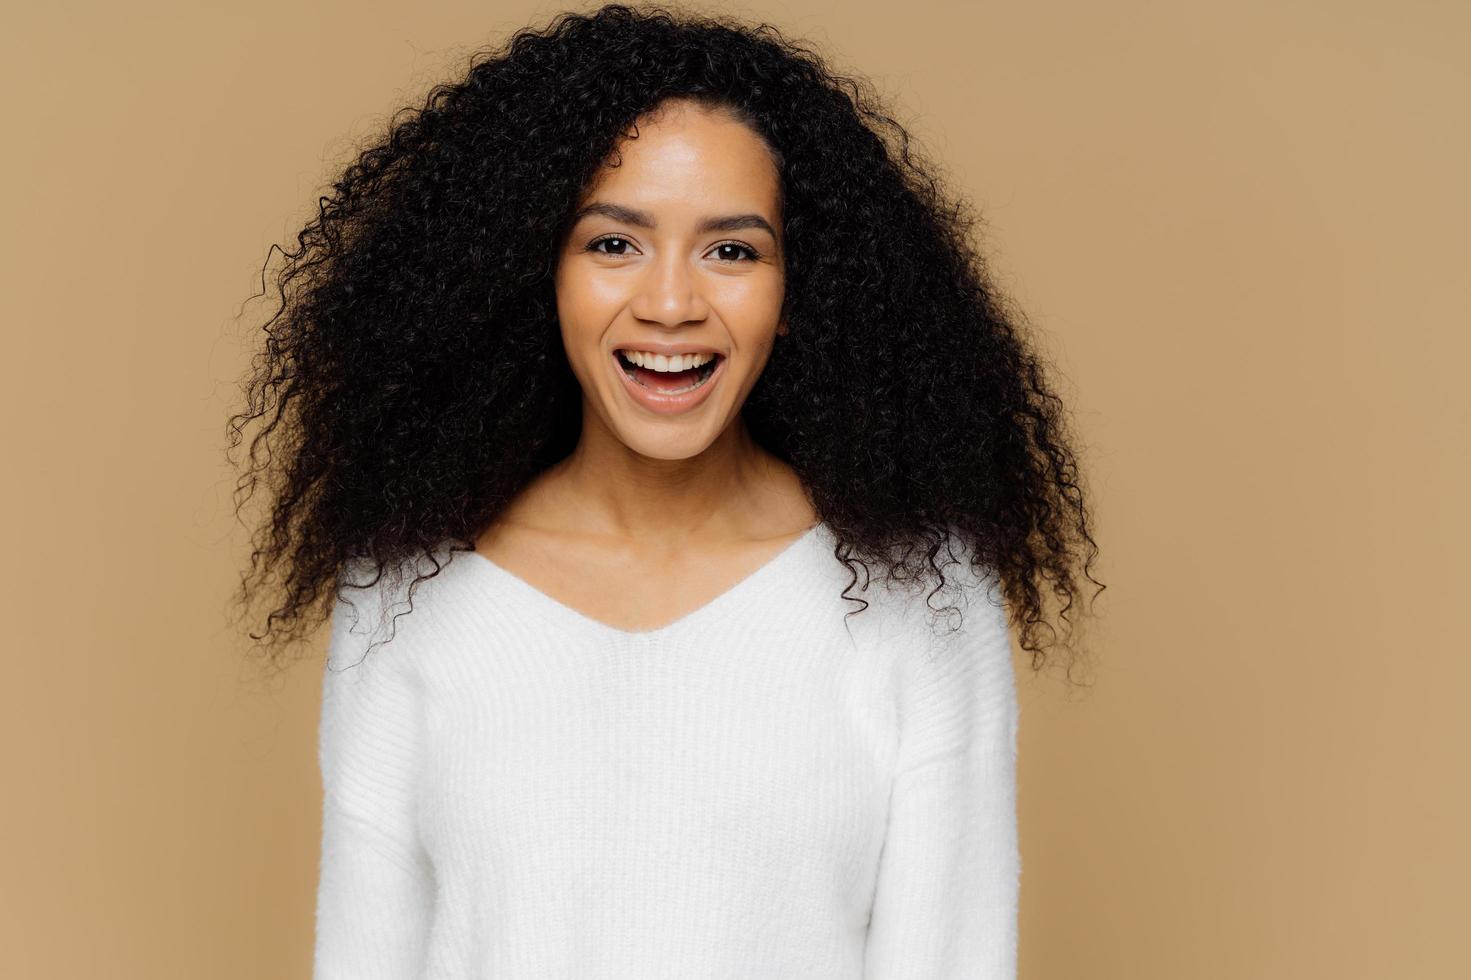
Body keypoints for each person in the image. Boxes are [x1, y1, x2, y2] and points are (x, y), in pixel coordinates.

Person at [226, 4, 1101, 977]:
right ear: (532, 271)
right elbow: (363, 953)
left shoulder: (919, 596)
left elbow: (953, 955)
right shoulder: (406, 590)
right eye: (613, 243)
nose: (673, 303)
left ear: (799, 284)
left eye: (733, 249)